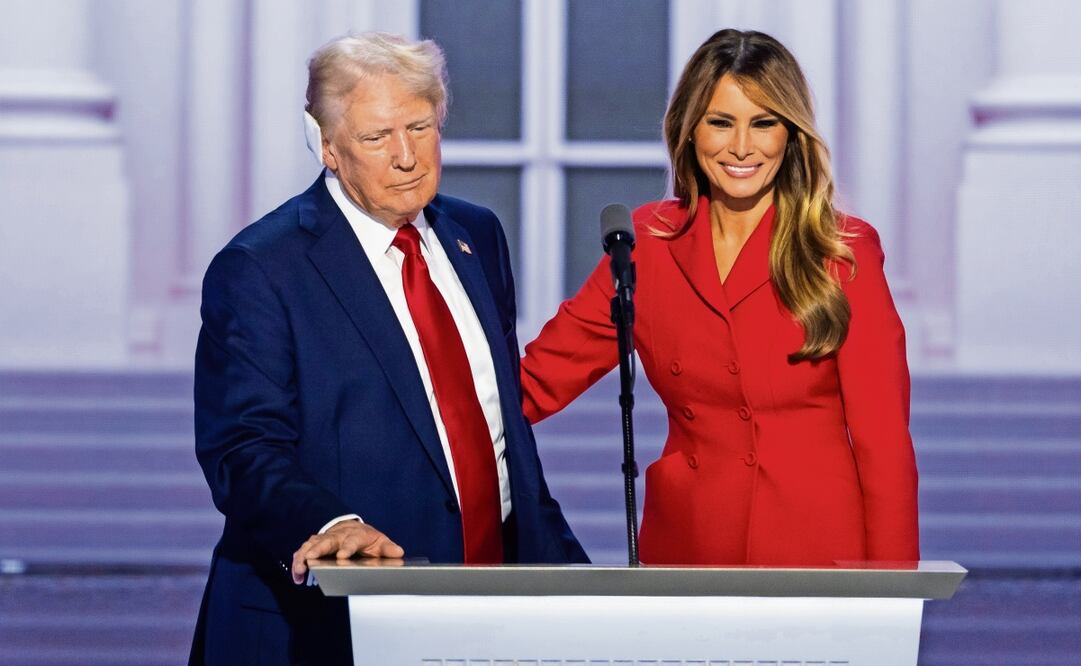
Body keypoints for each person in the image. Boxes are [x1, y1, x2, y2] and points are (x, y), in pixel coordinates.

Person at [190, 32, 588, 665]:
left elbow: (498, 431)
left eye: (420, 128)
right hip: (330, 622)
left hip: (490, 608)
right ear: (328, 147)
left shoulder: (477, 236)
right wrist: (326, 527)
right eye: (377, 138)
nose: (407, 157)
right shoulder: (260, 268)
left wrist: (568, 578)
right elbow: (242, 447)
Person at [520, 29, 919, 566]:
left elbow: (884, 444)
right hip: (689, 547)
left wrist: (892, 594)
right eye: (721, 122)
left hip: (817, 551)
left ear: (791, 134)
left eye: (764, 123)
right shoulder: (647, 243)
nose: (741, 148)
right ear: (688, 129)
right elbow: (540, 379)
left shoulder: (842, 251)